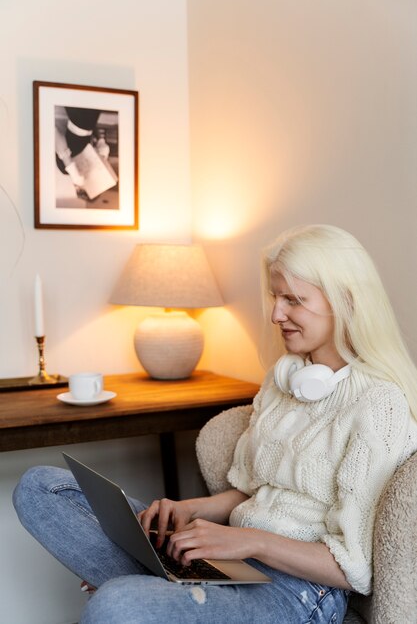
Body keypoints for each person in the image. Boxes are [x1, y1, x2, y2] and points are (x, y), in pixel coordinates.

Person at [13, 224, 417, 624]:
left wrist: (247, 540)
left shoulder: (379, 404)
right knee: (40, 488)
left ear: (345, 301)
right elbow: (250, 491)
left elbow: (353, 569)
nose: (277, 314)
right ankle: (163, 593)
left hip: (299, 591)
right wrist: (190, 510)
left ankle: (149, 595)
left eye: (294, 299)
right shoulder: (286, 378)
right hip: (232, 560)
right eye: (276, 297)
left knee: (115, 604)